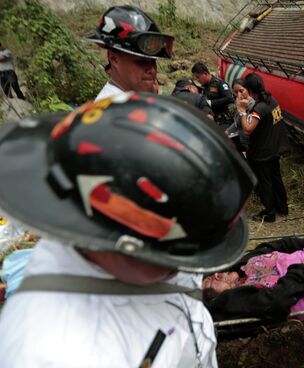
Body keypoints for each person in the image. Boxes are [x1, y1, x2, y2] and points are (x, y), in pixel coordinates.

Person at [0, 92, 257, 367]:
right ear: (123, 245)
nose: (185, 270)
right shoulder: (58, 352)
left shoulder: (153, 241)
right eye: (175, 262)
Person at [87, 5, 174, 100]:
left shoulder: (131, 101)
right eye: (142, 62)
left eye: (153, 61)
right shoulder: (112, 108)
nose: (152, 70)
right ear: (114, 58)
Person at [236, 73, 290, 223]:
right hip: (275, 147)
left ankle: (269, 212)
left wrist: (241, 110)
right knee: (276, 177)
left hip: (263, 151)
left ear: (250, 89)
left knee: (265, 181)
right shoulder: (271, 100)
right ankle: (282, 208)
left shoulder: (258, 108)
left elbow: (247, 128)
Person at [192, 62, 235, 126]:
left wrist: (211, 103)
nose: (197, 80)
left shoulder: (219, 83)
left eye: (198, 77)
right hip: (211, 120)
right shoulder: (204, 86)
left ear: (205, 73)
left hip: (223, 121)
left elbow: (230, 98)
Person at [225, 78, 252, 152]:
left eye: (241, 91)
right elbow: (237, 122)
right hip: (241, 139)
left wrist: (242, 110)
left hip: (251, 144)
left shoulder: (254, 106)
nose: (239, 95)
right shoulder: (239, 102)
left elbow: (248, 127)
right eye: (236, 92)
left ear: (248, 89)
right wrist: (227, 132)